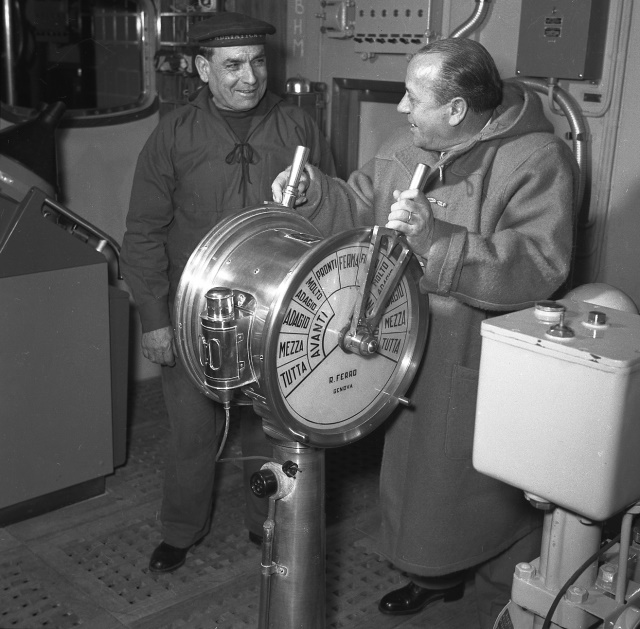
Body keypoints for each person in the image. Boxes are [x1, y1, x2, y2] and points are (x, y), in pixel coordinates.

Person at [272, 38, 577, 629]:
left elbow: (541, 264)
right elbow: (357, 205)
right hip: (408, 350)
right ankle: (431, 576)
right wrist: (314, 193)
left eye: (414, 97)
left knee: (488, 494)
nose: (402, 107)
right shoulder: (404, 148)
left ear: (457, 109)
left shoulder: (538, 160)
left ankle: (496, 597)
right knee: (417, 483)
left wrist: (437, 241)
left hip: (480, 359)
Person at [121, 11, 335, 574]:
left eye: (258, 62)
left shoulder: (298, 127)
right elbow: (143, 232)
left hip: (276, 311)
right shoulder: (174, 133)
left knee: (271, 428)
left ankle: (267, 524)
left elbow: (331, 216)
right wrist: (154, 319)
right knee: (193, 432)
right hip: (194, 311)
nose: (250, 77)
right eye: (233, 64)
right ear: (201, 68)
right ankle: (180, 530)